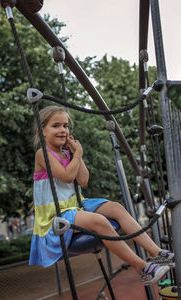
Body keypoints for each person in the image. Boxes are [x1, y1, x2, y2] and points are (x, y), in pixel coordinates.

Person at [29, 105, 174, 286]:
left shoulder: (67, 153)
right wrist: (78, 155)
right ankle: (142, 267)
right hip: (54, 214)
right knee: (100, 221)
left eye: (65, 126)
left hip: (75, 203)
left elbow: (83, 180)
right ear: (41, 130)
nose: (63, 130)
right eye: (56, 125)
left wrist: (76, 155)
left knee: (116, 208)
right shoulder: (42, 153)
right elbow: (66, 176)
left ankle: (157, 252)